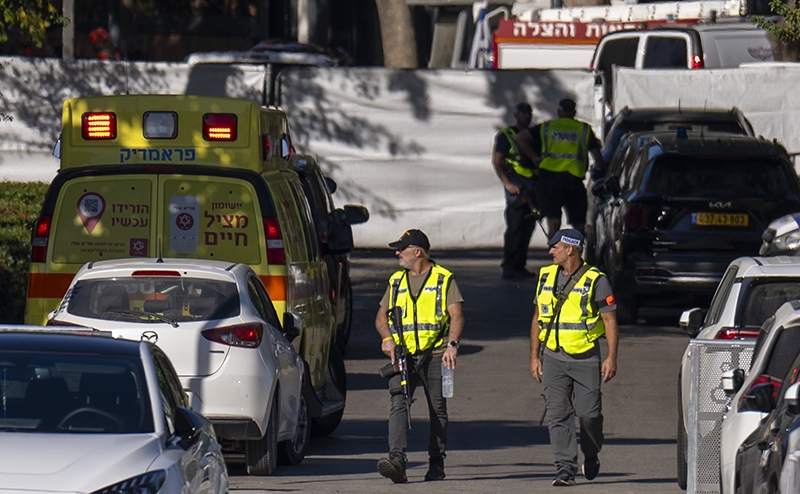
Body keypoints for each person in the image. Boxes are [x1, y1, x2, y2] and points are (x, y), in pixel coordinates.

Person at [529, 229, 618, 486]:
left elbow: (609, 321)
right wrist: (534, 356)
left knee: (589, 415)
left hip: (585, 358)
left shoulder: (596, 280)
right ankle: (565, 469)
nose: (550, 251)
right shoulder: (546, 276)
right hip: (553, 357)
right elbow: (537, 318)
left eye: (555, 247)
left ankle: (591, 453)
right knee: (558, 415)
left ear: (570, 249)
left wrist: (611, 357)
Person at [375, 229, 465, 483]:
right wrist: (387, 338)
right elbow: (381, 316)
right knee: (398, 401)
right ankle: (397, 460)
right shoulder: (396, 281)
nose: (397, 253)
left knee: (437, 408)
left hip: (435, 354)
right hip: (404, 355)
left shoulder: (443, 278)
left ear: (417, 252)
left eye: (401, 249)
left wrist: (452, 345)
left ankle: (436, 461)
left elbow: (457, 315)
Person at [515, 98, 603, 240]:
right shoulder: (584, 129)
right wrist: (600, 172)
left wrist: (534, 157)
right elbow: (597, 156)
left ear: (559, 111)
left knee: (554, 222)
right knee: (579, 224)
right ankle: (576, 251)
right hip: (573, 181)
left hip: (549, 180)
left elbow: (520, 138)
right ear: (574, 112)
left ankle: (554, 251)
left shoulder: (547, 127)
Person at [492, 102, 539, 279]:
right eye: (523, 113)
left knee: (528, 227)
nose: (527, 116)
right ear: (516, 115)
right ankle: (509, 266)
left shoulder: (533, 135)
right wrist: (507, 183)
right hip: (516, 186)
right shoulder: (506, 135)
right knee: (515, 227)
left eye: (529, 113)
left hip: (533, 186)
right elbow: (497, 161)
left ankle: (520, 265)